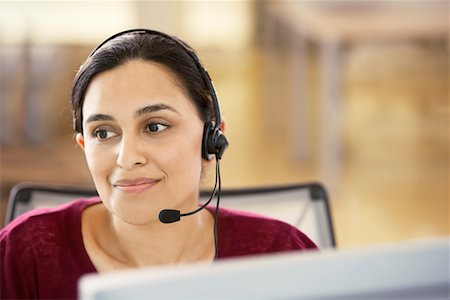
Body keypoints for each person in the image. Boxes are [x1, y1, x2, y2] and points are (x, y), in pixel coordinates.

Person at [0, 29, 318, 299]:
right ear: (84, 146)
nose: (127, 157)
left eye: (155, 126)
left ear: (213, 138)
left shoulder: (280, 254)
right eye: (104, 132)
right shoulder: (25, 253)